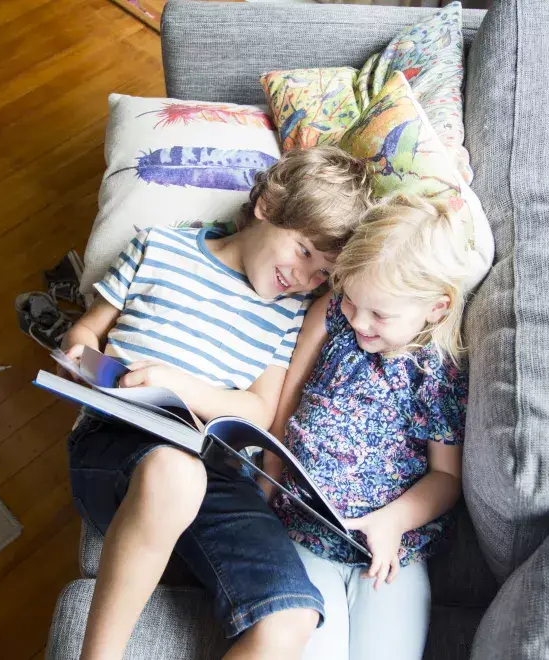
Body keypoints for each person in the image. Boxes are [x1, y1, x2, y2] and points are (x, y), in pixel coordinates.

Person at [61, 146, 373, 660]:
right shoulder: (159, 248)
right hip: (118, 443)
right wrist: (81, 356)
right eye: (303, 251)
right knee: (174, 473)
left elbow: (258, 410)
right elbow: (88, 330)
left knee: (293, 617)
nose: (303, 278)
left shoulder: (287, 314)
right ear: (268, 206)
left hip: (216, 470)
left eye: (322, 273)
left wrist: (183, 387)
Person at [263, 194, 479, 660]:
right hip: (302, 530)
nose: (359, 321)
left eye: (380, 314)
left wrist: (393, 522)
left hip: (388, 553)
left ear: (436, 309)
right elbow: (288, 402)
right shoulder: (332, 314)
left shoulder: (435, 372)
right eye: (353, 301)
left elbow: (447, 477)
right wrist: (265, 482)